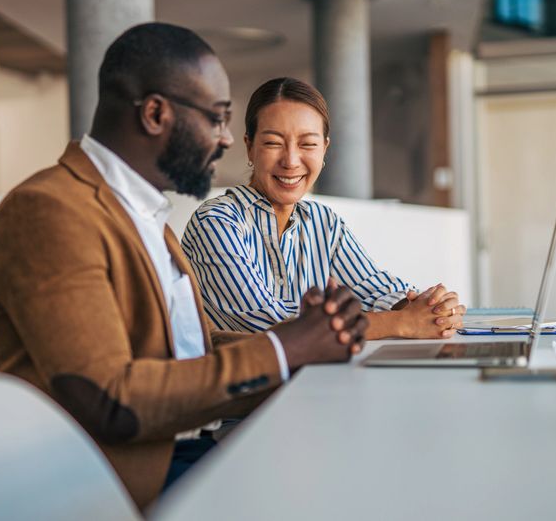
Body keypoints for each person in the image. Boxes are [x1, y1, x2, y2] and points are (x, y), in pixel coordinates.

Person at [0, 26, 367, 511]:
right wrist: (284, 348)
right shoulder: (49, 211)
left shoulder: (143, 215)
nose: (227, 139)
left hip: (182, 456)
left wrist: (307, 343)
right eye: (217, 118)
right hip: (109, 490)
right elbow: (112, 400)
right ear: (157, 113)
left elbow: (188, 355)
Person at [181, 77, 465, 341]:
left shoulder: (322, 222)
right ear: (250, 147)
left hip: (317, 381)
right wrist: (400, 323)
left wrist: (430, 309)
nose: (291, 161)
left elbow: (373, 288)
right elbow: (268, 323)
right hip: (246, 392)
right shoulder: (216, 221)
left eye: (308, 144)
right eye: (273, 143)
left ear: (324, 149)